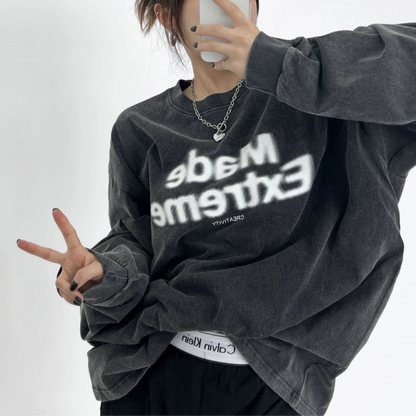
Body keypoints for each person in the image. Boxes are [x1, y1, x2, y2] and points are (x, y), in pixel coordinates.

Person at [16, 0, 416, 415]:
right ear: (168, 15)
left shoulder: (332, 102)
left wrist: (275, 62)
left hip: (272, 385)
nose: (227, 8)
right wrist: (104, 273)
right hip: (150, 373)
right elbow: (135, 241)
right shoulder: (139, 128)